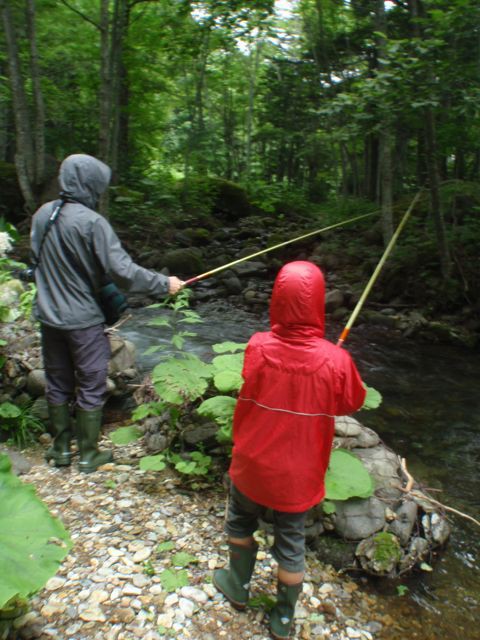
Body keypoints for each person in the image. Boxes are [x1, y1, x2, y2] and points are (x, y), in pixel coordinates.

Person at [213, 261, 366, 639]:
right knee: (291, 545)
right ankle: (282, 618)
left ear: (277, 300)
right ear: (318, 304)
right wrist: (334, 360)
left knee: (239, 522)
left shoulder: (257, 346)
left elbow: (257, 377)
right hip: (298, 475)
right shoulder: (336, 359)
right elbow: (351, 403)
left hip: (252, 464)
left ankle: (238, 585)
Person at [30, 153, 184, 473]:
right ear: (90, 185)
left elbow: (38, 260)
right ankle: (88, 455)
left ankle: (60, 450)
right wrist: (163, 283)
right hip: (83, 320)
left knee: (57, 381)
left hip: (48, 315)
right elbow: (122, 271)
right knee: (91, 383)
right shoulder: (92, 222)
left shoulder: (43, 214)